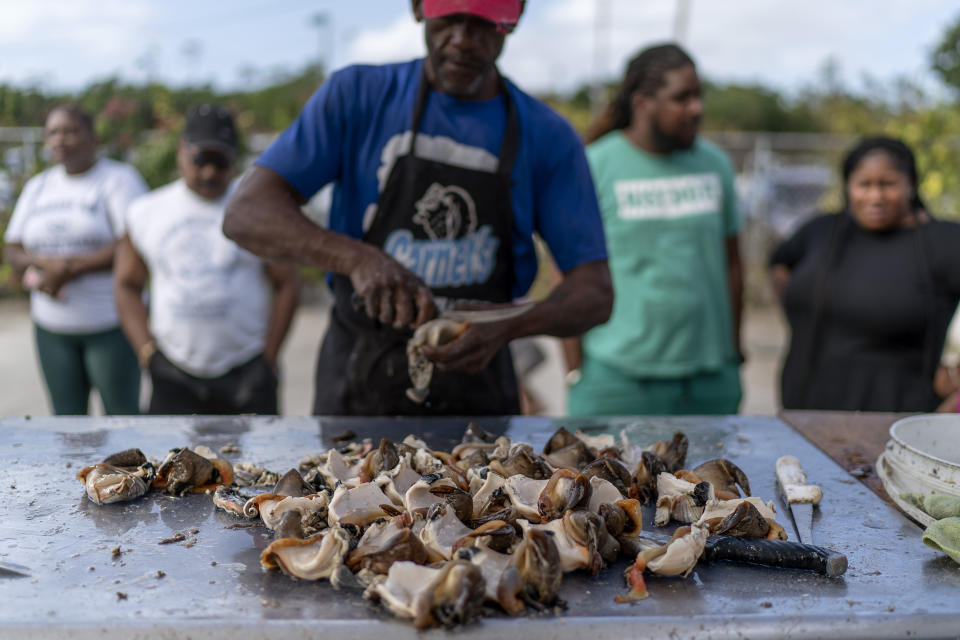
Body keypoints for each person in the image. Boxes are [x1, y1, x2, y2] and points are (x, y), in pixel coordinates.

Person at [222, 0, 612, 416]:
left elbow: (594, 293)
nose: (462, 40)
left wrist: (510, 324)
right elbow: (246, 212)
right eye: (450, 19)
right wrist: (356, 258)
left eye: (483, 25)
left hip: (478, 390)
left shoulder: (547, 135)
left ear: (511, 23)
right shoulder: (358, 96)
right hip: (357, 384)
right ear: (417, 8)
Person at [564, 43, 744, 416]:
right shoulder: (594, 164)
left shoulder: (715, 164)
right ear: (643, 101)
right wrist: (574, 369)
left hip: (709, 381)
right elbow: (567, 273)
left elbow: (732, 263)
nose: (697, 108)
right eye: (682, 98)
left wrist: (732, 350)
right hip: (617, 381)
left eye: (699, 96)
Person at [114, 105, 299, 415]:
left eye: (221, 161)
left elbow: (288, 284)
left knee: (255, 464)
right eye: (201, 159)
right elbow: (126, 285)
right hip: (174, 372)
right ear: (181, 152)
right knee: (168, 463)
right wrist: (149, 355)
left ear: (235, 160)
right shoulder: (146, 211)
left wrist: (267, 359)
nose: (210, 172)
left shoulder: (259, 211)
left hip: (245, 371)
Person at [770, 136, 960, 412]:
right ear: (848, 186)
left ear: (911, 185)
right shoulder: (821, 231)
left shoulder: (942, 241)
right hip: (807, 409)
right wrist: (799, 315)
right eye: (864, 184)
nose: (876, 197)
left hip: (897, 418)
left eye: (888, 184)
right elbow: (780, 262)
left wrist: (954, 368)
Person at [3, 103, 147, 415]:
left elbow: (134, 240)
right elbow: (13, 248)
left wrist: (68, 270)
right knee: (67, 424)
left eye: (70, 131)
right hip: (53, 330)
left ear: (93, 137)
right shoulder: (38, 187)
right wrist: (44, 267)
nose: (60, 140)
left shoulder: (118, 179)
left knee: (122, 420)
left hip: (110, 325)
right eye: (53, 133)